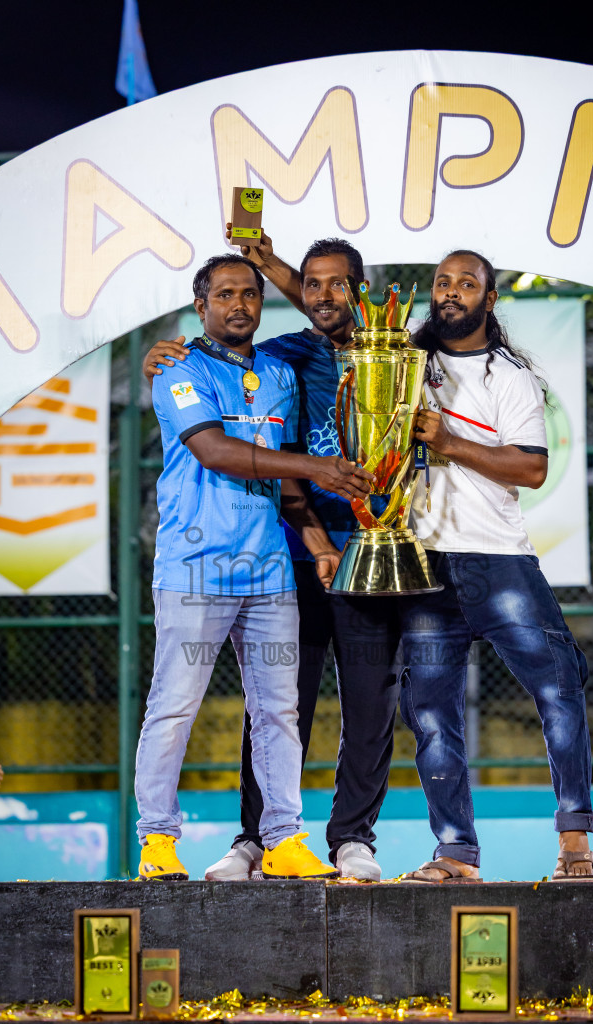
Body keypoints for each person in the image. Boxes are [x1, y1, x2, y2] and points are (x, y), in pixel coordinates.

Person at [144, 234, 401, 882]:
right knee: (175, 706)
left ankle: (285, 838)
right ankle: (157, 841)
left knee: (277, 710)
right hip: (196, 567)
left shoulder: (282, 373)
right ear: (199, 305)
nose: (239, 304)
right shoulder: (178, 369)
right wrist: (318, 469)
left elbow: (286, 487)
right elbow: (216, 451)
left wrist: (315, 545)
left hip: (269, 569)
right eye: (224, 294)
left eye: (249, 294)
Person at [399, 249, 593, 882]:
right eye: (442, 282)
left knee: (559, 685)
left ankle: (574, 841)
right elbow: (329, 309)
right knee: (430, 712)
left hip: (497, 560)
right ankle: (456, 853)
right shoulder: (407, 365)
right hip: (424, 560)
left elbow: (533, 468)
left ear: (489, 298)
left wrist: (450, 443)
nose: (451, 292)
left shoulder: (507, 376)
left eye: (467, 283)